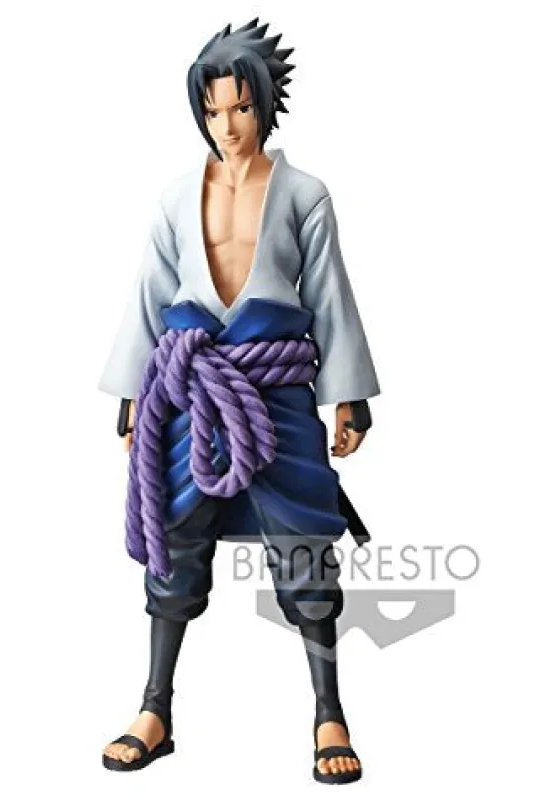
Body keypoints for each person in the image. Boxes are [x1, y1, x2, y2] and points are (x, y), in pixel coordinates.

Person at [99, 19, 380, 784]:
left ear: (265, 106)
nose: (228, 126)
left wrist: (347, 396)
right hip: (191, 390)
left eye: (242, 108)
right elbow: (152, 292)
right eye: (214, 110)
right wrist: (132, 394)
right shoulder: (174, 197)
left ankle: (329, 711)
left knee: (305, 546)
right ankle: (156, 707)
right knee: (174, 541)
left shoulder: (304, 194)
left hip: (275, 392)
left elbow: (329, 296)